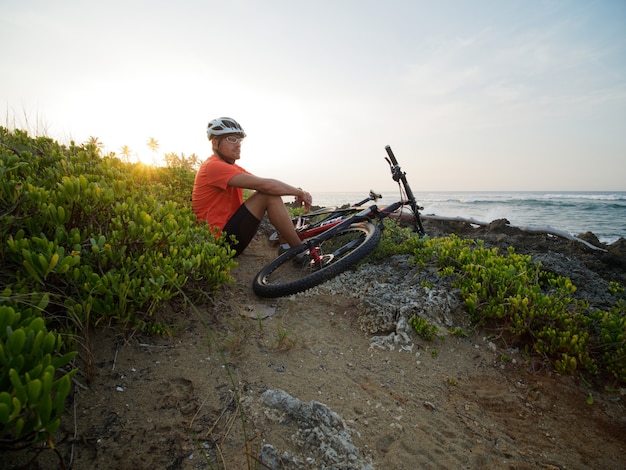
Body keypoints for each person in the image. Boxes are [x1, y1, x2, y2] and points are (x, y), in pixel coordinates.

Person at [192, 117, 312, 256]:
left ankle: (289, 241)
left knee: (268, 192)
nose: (238, 144)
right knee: (267, 194)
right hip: (218, 245)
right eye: (231, 139)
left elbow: (262, 183)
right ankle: (300, 252)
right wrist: (300, 193)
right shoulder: (213, 166)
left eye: (239, 140)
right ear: (215, 143)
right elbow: (267, 186)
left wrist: (298, 191)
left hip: (229, 238)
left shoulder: (231, 168)